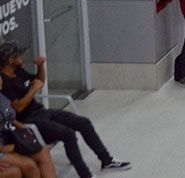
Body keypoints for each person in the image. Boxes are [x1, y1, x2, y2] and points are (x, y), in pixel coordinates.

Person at [0, 43, 129, 176]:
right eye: (19, 55)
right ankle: (85, 174)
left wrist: (40, 66)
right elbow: (18, 108)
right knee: (68, 134)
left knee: (84, 122)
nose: (23, 57)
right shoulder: (4, 82)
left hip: (42, 111)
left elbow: (39, 81)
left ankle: (106, 161)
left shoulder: (18, 71)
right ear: (10, 60)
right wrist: (33, 90)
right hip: (30, 120)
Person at [0, 91, 57, 178]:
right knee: (29, 165)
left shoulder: (2, 97)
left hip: (9, 138)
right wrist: (3, 148)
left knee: (43, 152)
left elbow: (10, 117)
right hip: (2, 147)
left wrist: (22, 128)